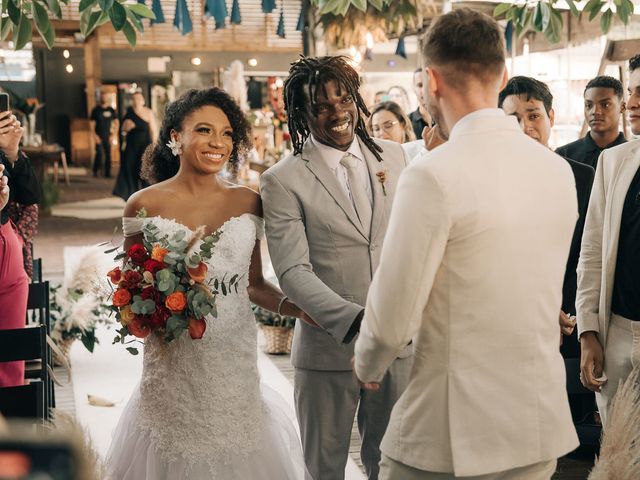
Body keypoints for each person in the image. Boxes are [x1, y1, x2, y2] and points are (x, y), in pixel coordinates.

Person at [354, 8, 579, 480]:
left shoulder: (432, 174)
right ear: (502, 75)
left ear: (431, 81)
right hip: (535, 426)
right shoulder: (557, 171)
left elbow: (393, 315)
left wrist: (368, 362)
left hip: (448, 435)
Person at [105, 87, 306, 479]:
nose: (218, 142)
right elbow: (129, 291)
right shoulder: (142, 205)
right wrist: (150, 309)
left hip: (233, 364)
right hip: (173, 369)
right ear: (175, 137)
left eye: (228, 133)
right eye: (204, 130)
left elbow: (254, 284)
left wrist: (296, 307)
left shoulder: (249, 202)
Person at [260, 55, 412, 480]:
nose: (337, 111)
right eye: (321, 105)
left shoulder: (396, 158)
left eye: (343, 98)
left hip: (398, 347)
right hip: (329, 350)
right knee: (323, 468)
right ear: (302, 114)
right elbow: (292, 271)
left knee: (393, 464)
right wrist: (362, 323)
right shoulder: (282, 179)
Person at [498, 75, 597, 442]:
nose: (525, 127)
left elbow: (590, 254)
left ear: (551, 117)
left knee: (572, 431)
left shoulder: (584, 177)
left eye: (534, 115)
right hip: (512, 321)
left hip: (572, 319)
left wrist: (568, 313)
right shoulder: (492, 180)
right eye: (513, 119)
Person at [577, 54, 640, 425]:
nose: (632, 103)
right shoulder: (614, 162)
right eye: (631, 92)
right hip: (617, 330)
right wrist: (588, 331)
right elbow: (593, 252)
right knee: (617, 451)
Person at [0, 109, 40, 387]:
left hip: (6, 248)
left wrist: (11, 151)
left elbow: (30, 196)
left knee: (10, 362)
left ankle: (10, 426)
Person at [556, 75, 626, 169]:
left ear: (622, 107)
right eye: (589, 105)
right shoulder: (564, 155)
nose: (595, 112)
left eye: (605, 104)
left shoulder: (633, 156)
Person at [113, 91, 157, 201]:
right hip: (131, 147)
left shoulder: (148, 112)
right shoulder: (129, 112)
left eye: (138, 99)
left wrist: (154, 146)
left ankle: (147, 197)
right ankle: (132, 197)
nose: (136, 101)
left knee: (144, 171)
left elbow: (154, 131)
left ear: (143, 101)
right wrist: (127, 127)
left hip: (145, 146)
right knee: (130, 170)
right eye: (134, 99)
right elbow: (122, 130)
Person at [90, 89, 119, 178]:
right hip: (98, 135)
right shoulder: (96, 110)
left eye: (105, 96)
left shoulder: (111, 110)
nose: (104, 98)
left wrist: (113, 135)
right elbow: (91, 124)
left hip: (108, 135)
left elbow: (116, 123)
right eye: (102, 96)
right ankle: (95, 171)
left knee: (108, 154)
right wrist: (95, 136)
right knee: (98, 153)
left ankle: (107, 173)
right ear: (100, 98)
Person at [409, 68, 433, 139]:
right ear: (414, 89)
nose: (425, 90)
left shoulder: (445, 120)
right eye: (420, 85)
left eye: (428, 84)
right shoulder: (407, 121)